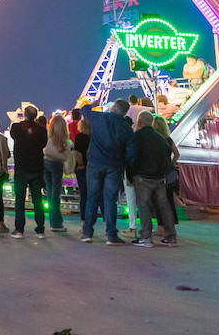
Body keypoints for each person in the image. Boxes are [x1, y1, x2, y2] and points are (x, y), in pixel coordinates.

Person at [78, 99, 133, 244]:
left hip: (95, 164)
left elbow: (83, 110)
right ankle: (111, 235)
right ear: (125, 112)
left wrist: (94, 104)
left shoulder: (99, 118)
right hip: (114, 166)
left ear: (113, 107)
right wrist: (123, 163)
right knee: (110, 200)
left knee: (92, 198)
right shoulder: (126, 127)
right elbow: (131, 151)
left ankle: (87, 233)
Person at [125, 110, 178, 246]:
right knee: (164, 207)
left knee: (144, 206)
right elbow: (167, 155)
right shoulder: (160, 138)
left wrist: (130, 174)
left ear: (140, 122)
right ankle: (171, 236)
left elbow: (131, 156)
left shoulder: (136, 137)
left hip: (142, 177)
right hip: (159, 177)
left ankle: (146, 237)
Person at [9, 106, 48, 239]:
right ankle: (40, 229)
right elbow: (43, 144)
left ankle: (19, 229)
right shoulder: (42, 131)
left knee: (19, 200)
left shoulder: (16, 128)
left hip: (21, 169)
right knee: (38, 199)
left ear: (24, 114)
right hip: (36, 168)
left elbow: (13, 135)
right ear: (36, 116)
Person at [72, 114, 92, 234]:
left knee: (83, 195)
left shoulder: (79, 137)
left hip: (82, 168)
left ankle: (84, 223)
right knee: (95, 196)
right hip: (93, 167)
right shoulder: (93, 136)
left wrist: (80, 164)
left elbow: (78, 152)